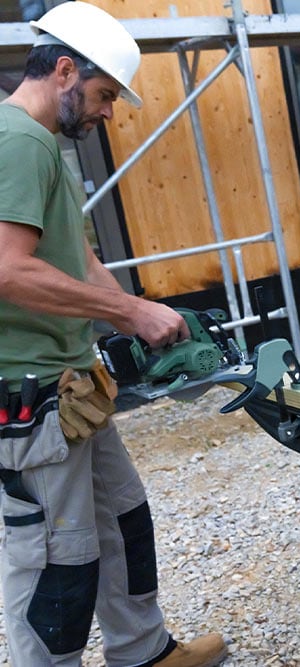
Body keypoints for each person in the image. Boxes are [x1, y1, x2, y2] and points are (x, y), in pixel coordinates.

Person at [0, 3, 228, 666]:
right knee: (55, 559)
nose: (107, 112)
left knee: (122, 519)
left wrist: (134, 309)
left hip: (72, 384)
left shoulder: (42, 144)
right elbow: (8, 270)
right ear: (64, 69)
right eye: (103, 95)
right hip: (32, 395)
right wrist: (130, 316)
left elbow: (74, 258)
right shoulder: (18, 142)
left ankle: (143, 651)